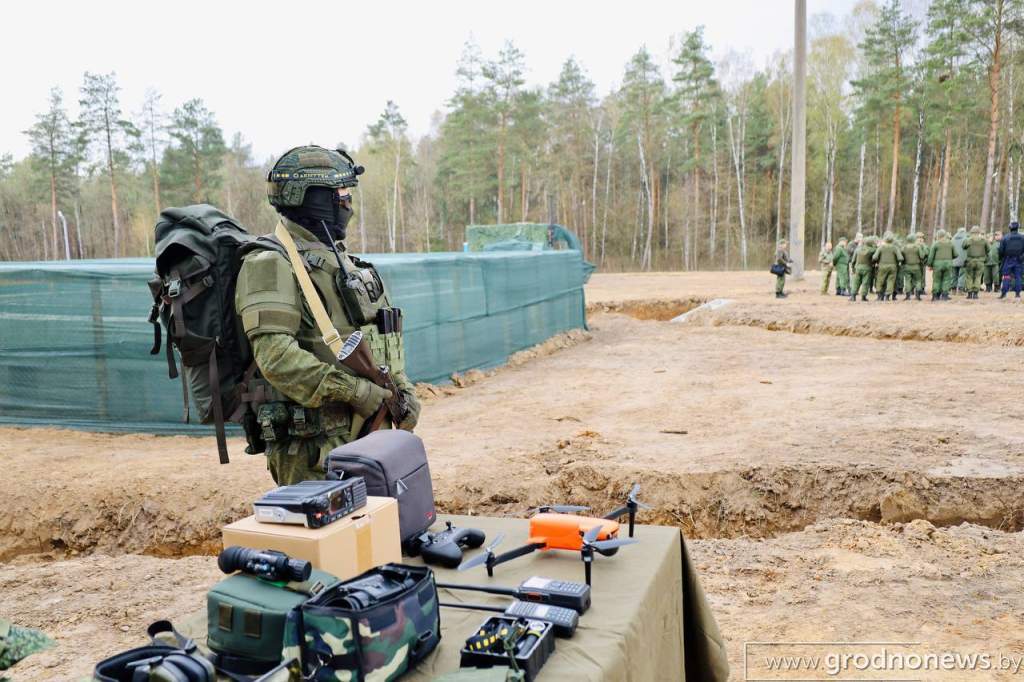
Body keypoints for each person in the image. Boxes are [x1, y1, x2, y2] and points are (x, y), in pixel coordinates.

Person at [234, 145, 421, 485]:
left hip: (371, 433)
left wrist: (402, 390)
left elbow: (375, 338)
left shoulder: (343, 261)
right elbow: (275, 358)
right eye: (341, 194)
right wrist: (355, 393)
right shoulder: (269, 263)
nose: (348, 204)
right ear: (313, 198)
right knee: (330, 538)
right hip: (316, 450)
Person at [872, 232, 903, 301]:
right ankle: (887, 295)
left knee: (880, 280)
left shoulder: (881, 247)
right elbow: (900, 258)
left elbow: (875, 257)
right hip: (893, 267)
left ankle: (880, 296)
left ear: (885, 240)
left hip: (882, 266)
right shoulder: (895, 248)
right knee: (891, 281)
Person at [927, 229, 956, 301]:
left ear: (938, 235)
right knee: (946, 279)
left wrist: (929, 264)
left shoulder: (935, 244)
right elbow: (956, 254)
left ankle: (935, 296)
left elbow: (931, 256)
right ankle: (945, 296)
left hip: (937, 265)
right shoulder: (950, 243)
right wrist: (949, 259)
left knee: (936, 280)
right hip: (948, 264)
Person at [962, 226, 989, 299]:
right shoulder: (984, 240)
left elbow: (963, 246)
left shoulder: (968, 240)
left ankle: (969, 293)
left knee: (969, 277)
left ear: (971, 232)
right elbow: (988, 249)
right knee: (978, 277)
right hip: (980, 261)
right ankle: (976, 294)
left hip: (970, 261)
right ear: (979, 232)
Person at [999, 221, 1024, 299]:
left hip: (1008, 259)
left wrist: (1002, 258)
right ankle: (1017, 294)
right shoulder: (1022, 237)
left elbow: (1001, 251)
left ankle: (1004, 294)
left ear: (1010, 228)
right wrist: (1022, 257)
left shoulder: (1005, 237)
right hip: (1019, 259)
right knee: (1018, 277)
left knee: (1006, 276)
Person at [849, 235, 876, 302]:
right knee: (865, 283)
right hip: (867, 268)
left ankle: (853, 296)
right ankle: (863, 297)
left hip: (858, 268)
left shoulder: (857, 249)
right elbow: (876, 254)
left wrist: (853, 268)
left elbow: (853, 260)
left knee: (856, 282)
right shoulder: (871, 250)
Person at [901, 233, 926, 300]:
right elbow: (922, 256)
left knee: (907, 281)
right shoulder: (917, 247)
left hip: (907, 266)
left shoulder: (904, 247)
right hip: (916, 267)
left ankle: (908, 296)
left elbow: (901, 256)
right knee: (918, 280)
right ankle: (918, 295)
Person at [951, 226, 968, 294]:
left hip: (954, 259)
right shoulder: (966, 239)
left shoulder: (952, 239)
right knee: (962, 275)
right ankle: (960, 290)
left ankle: (953, 290)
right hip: (962, 260)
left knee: (954, 275)